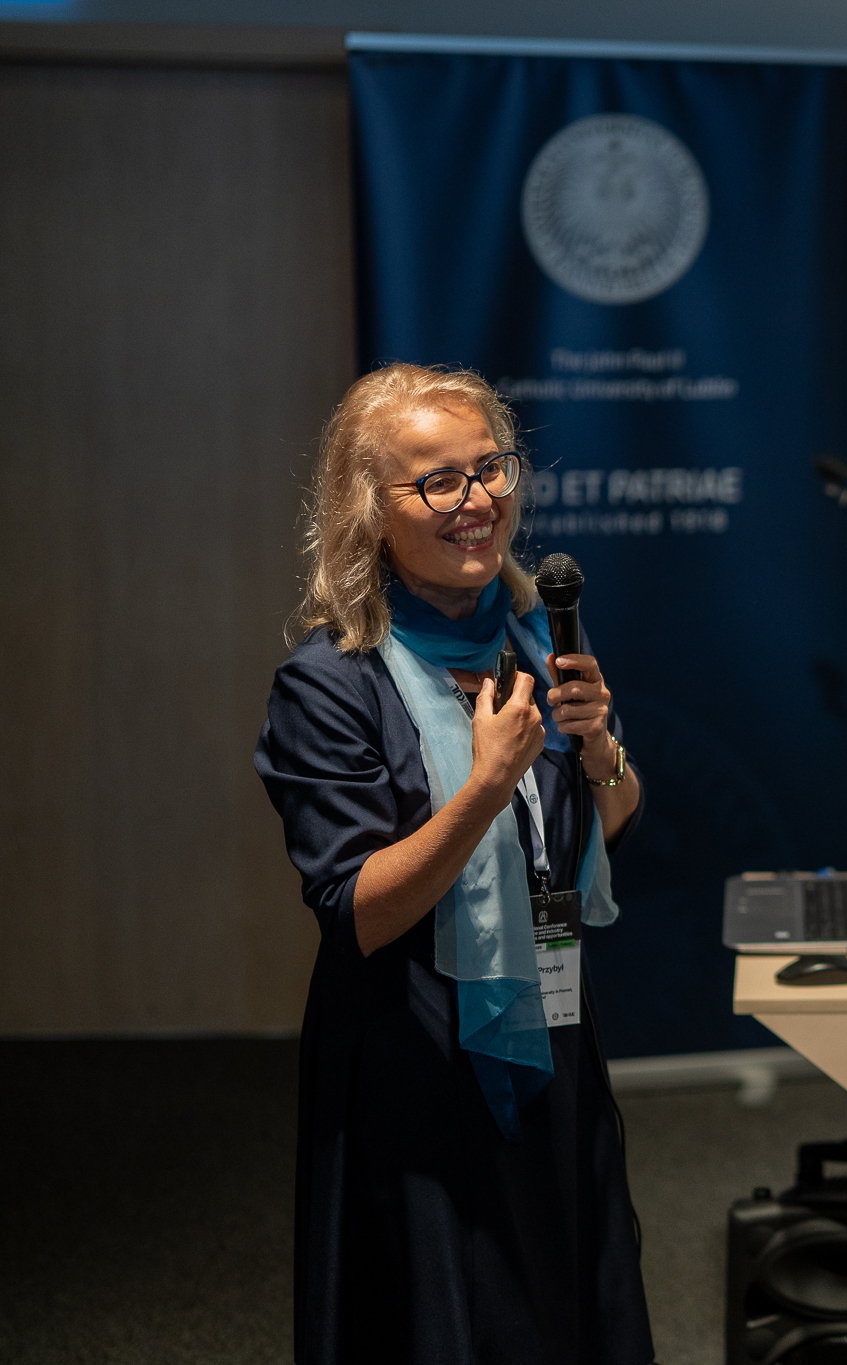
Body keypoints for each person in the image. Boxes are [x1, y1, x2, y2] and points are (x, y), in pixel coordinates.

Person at [254, 363, 654, 1365]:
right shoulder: (329, 682)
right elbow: (358, 910)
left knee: (566, 1298)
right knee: (445, 1319)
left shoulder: (534, 636)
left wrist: (599, 748)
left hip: (550, 1024)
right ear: (369, 511)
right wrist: (484, 786)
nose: (476, 500)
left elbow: (602, 826)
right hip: (415, 1056)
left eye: (490, 468)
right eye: (437, 481)